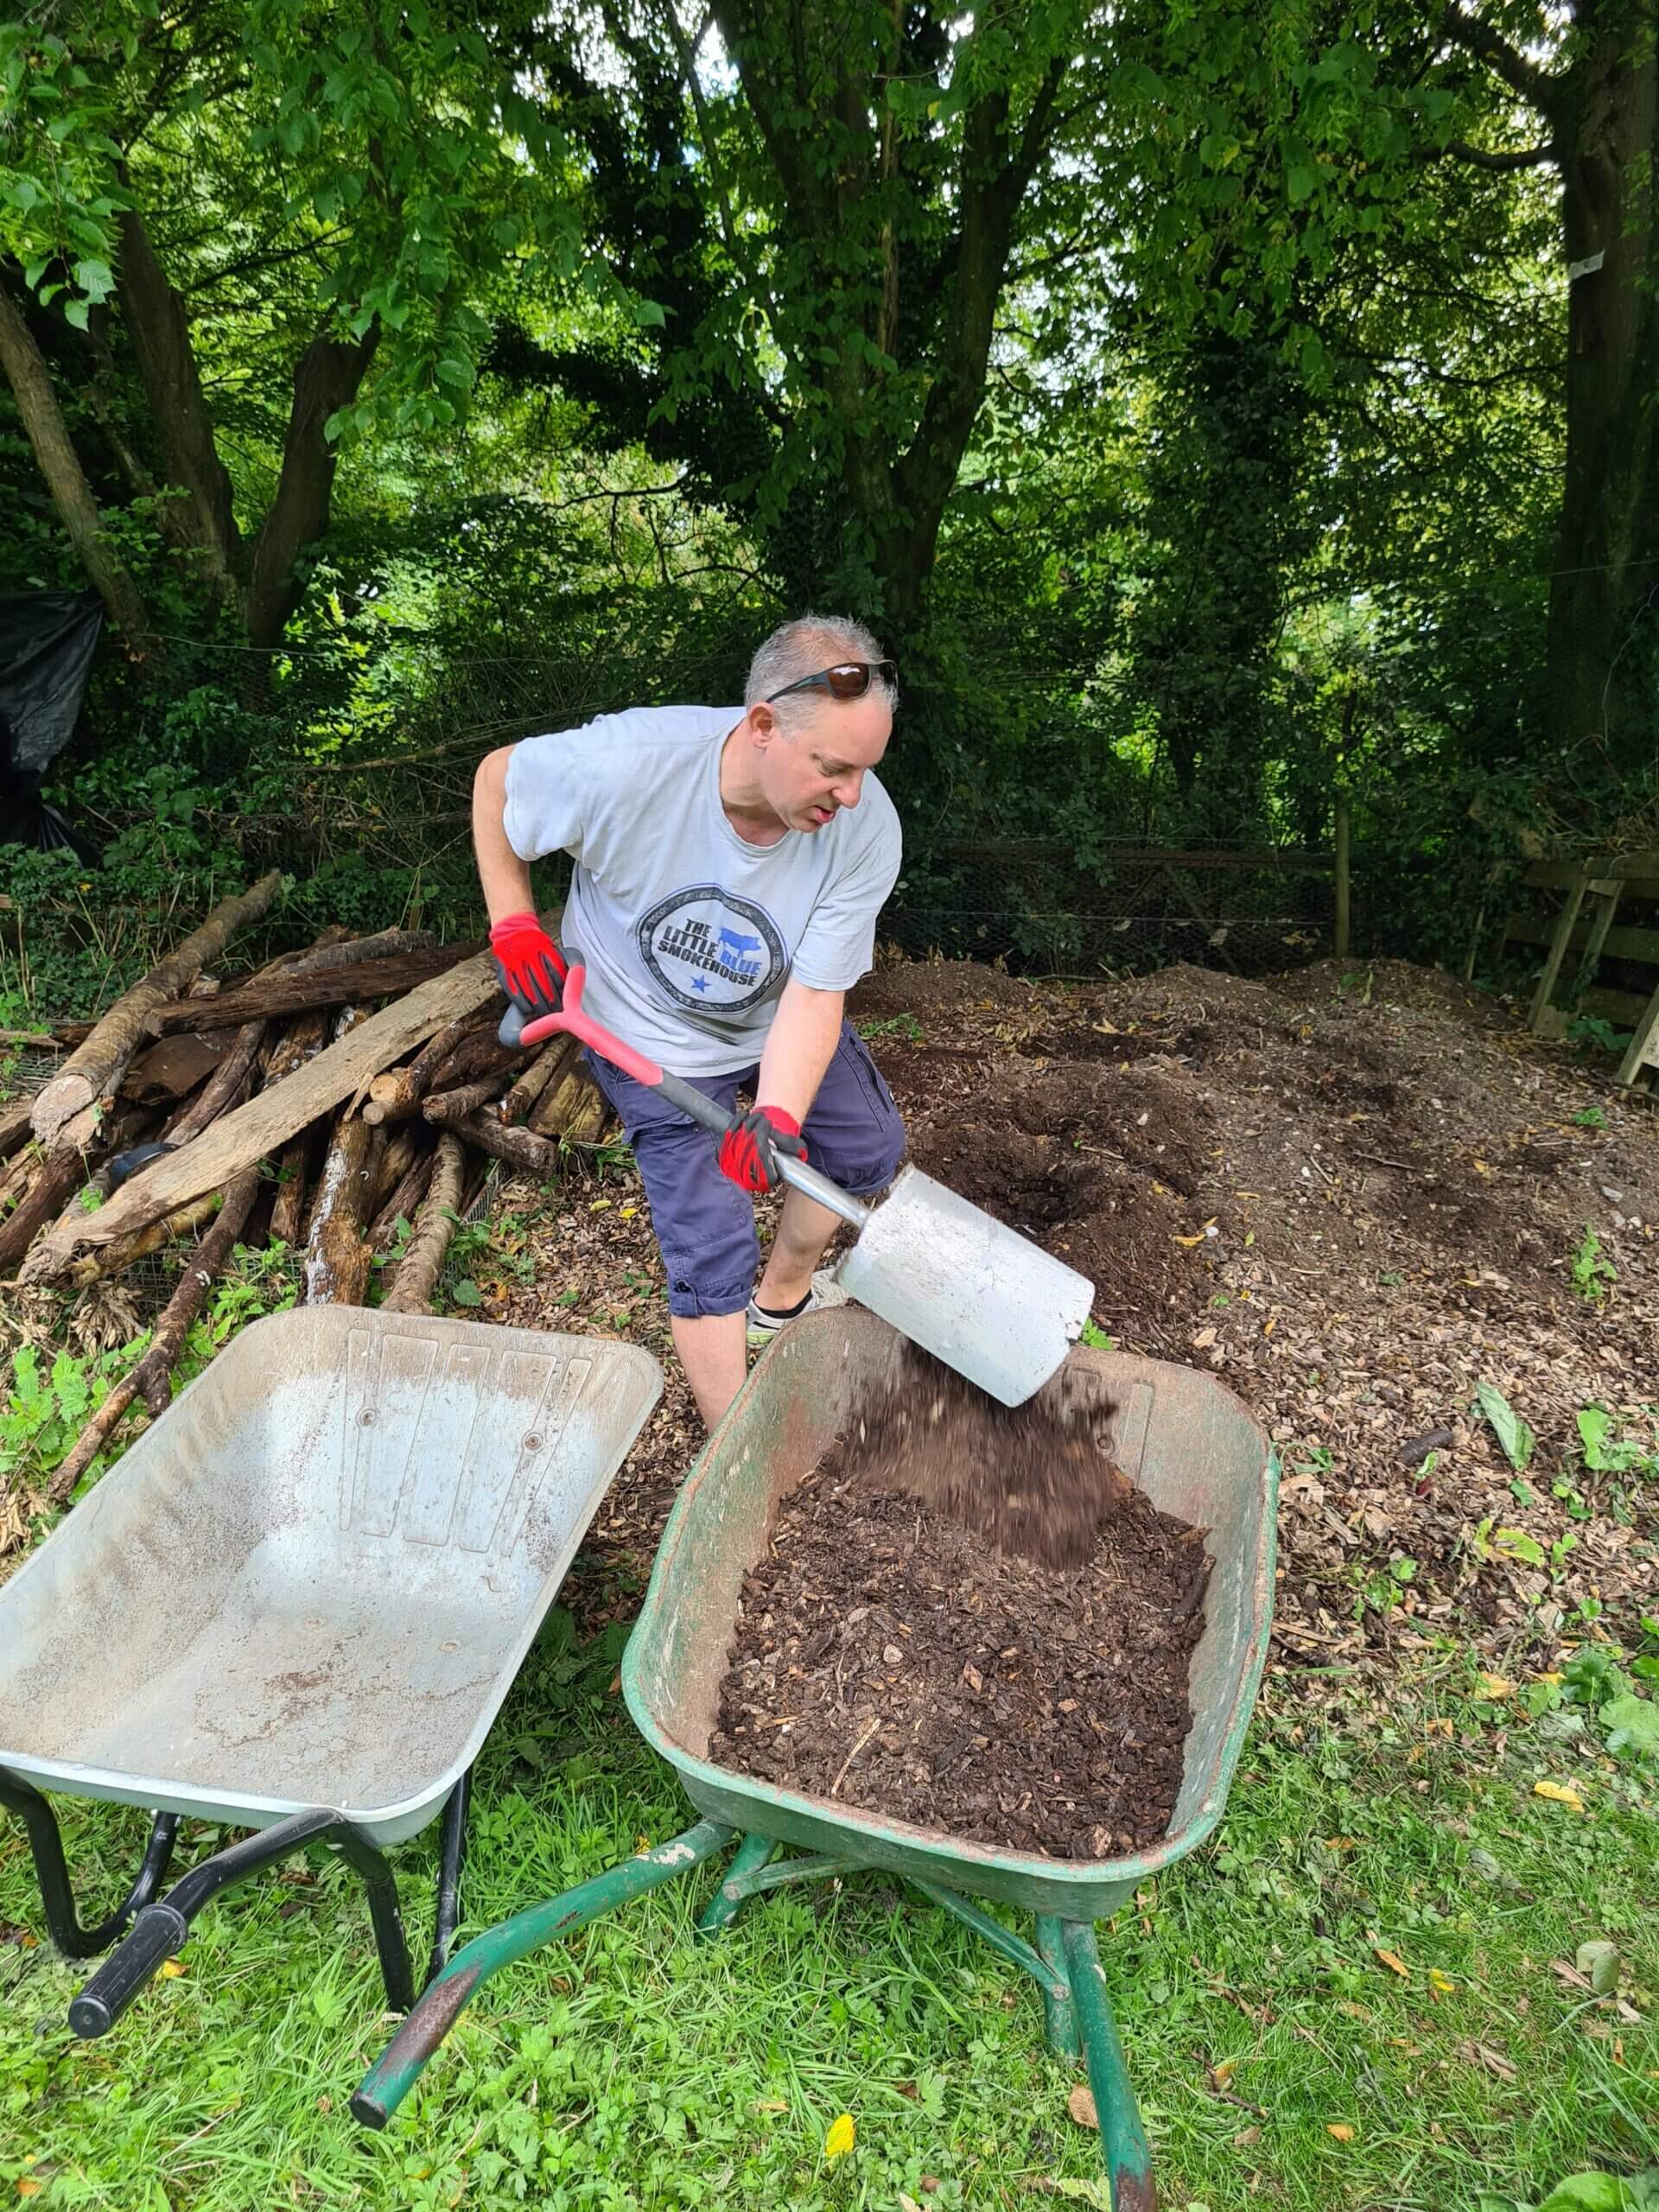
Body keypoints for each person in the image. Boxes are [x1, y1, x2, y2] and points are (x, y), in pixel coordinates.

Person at [471, 613, 906, 1427]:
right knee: (710, 1247)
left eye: (864, 771)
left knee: (864, 1150)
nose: (851, 795)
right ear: (765, 725)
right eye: (834, 768)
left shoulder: (865, 828)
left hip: (776, 1015)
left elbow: (815, 995)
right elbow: (498, 781)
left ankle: (780, 1302)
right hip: (646, 1032)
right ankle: (732, 1448)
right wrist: (513, 923)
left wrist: (775, 1112)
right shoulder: (628, 768)